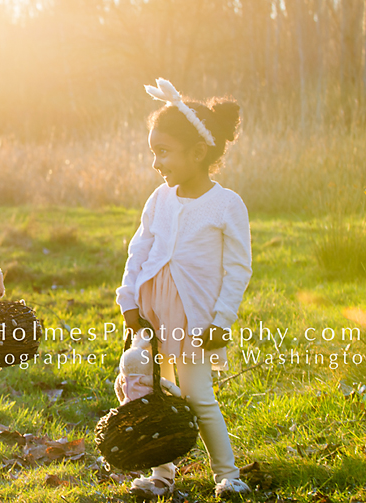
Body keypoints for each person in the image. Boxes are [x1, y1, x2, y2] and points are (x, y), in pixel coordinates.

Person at [115, 79, 253, 499]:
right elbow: (139, 248)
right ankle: (162, 474)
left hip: (194, 320)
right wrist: (128, 299)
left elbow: (238, 268)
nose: (156, 163)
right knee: (156, 392)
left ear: (198, 153)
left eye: (164, 152)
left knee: (197, 395)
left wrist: (221, 319)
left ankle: (227, 474)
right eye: (153, 152)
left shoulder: (226, 205)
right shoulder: (159, 198)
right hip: (154, 311)